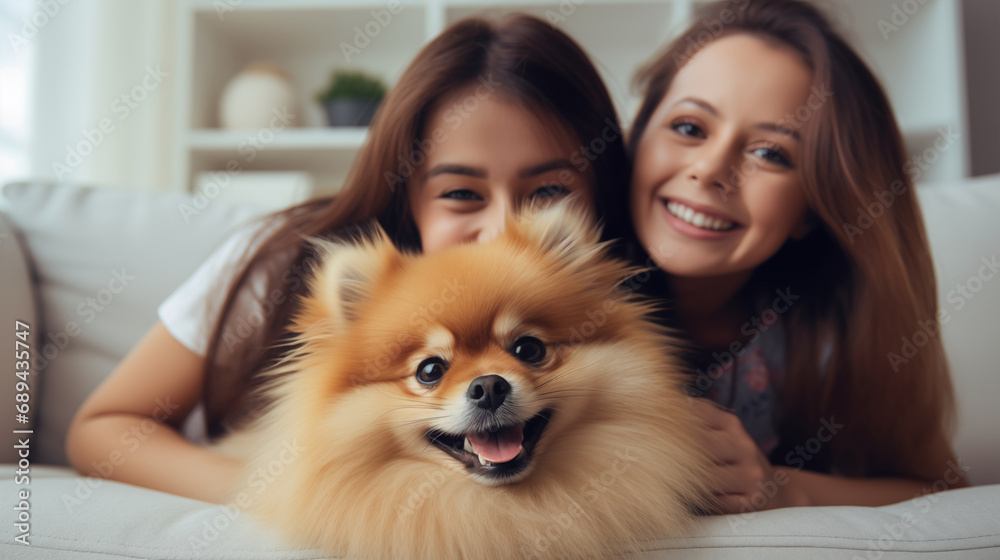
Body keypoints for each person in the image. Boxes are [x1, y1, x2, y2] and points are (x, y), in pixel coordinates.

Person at [65, 13, 631, 504]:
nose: (502, 226)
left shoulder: (601, 300)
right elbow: (102, 427)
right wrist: (277, 495)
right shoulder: (281, 262)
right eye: (462, 192)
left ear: (600, 190)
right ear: (406, 192)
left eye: (546, 192)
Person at [627, 0, 968, 514]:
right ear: (639, 134)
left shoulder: (824, 331)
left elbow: (944, 491)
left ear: (813, 205)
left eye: (770, 153)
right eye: (690, 127)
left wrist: (782, 489)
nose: (712, 168)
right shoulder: (555, 293)